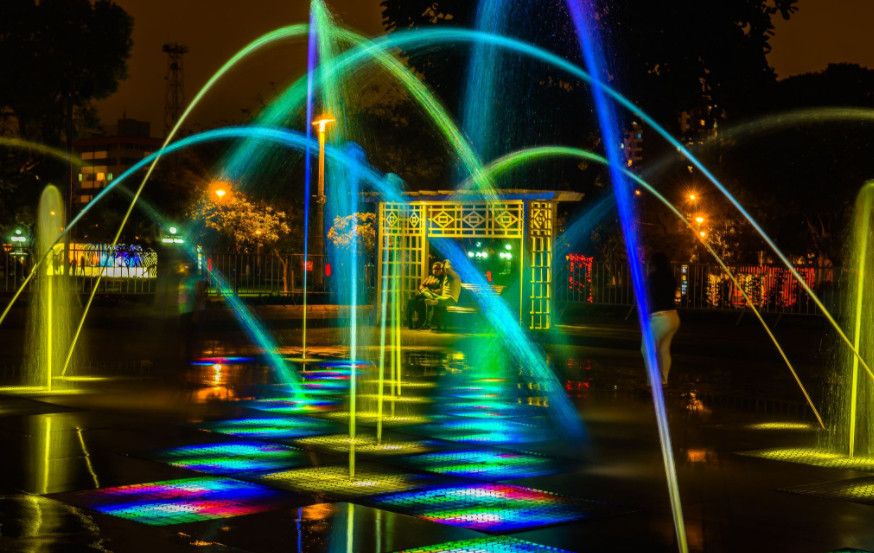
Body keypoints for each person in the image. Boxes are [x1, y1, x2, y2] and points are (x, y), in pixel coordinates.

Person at [643, 252, 680, 386]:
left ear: (654, 264)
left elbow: (647, 296)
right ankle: (664, 379)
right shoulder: (671, 278)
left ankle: (652, 382)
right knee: (664, 349)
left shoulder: (652, 278)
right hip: (673, 316)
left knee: (646, 349)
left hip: (659, 318)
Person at [425, 259, 461, 331]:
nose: (442, 270)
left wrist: (446, 261)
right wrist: (432, 291)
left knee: (438, 300)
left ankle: (435, 301)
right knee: (428, 294)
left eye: (441, 268)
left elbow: (447, 269)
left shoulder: (455, 276)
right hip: (443, 298)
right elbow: (442, 290)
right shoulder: (445, 278)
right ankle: (427, 323)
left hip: (451, 299)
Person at [406, 262, 443, 329]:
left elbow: (441, 290)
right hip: (423, 294)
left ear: (441, 269)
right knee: (411, 300)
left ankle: (420, 323)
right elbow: (421, 285)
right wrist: (422, 288)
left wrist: (431, 291)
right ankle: (410, 323)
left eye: (437, 269)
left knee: (421, 302)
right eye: (433, 269)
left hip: (432, 296)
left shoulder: (442, 279)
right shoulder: (430, 277)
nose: (435, 270)